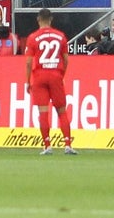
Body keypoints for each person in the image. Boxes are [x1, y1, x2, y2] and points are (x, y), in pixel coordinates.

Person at [24, 8, 76, 155]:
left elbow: (28, 62)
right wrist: (61, 75)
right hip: (56, 75)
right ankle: (67, 144)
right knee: (61, 110)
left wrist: (28, 81)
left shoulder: (33, 37)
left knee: (43, 112)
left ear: (38, 20)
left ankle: (47, 146)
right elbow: (66, 59)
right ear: (51, 19)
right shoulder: (60, 36)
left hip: (40, 76)